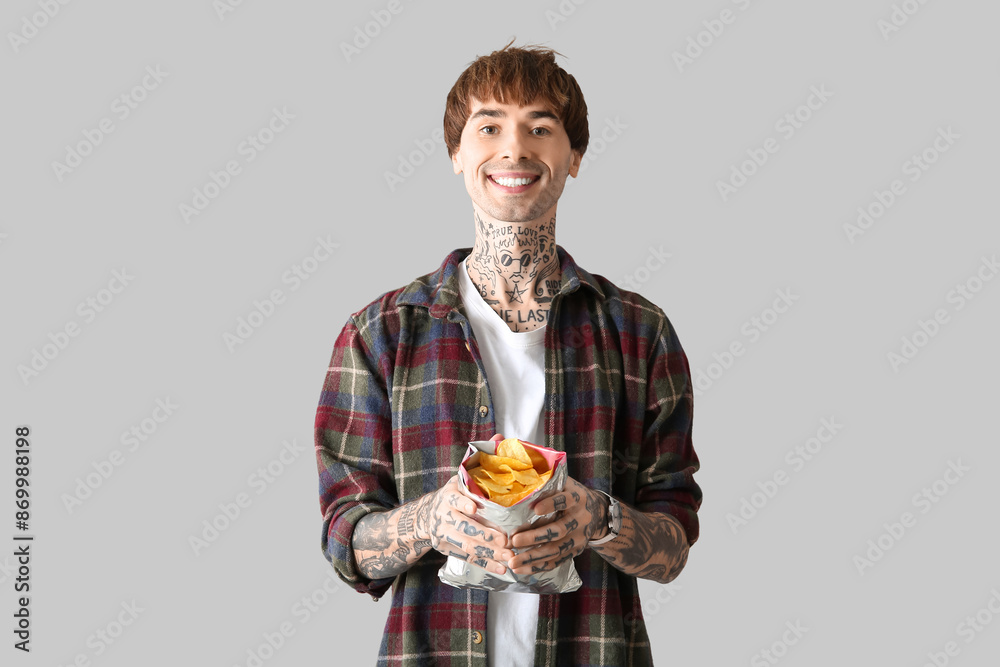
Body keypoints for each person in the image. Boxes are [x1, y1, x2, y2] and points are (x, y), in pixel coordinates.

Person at [314, 39, 702, 667]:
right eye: (488, 125)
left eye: (539, 127)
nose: (514, 148)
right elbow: (345, 543)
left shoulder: (640, 332)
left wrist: (597, 518)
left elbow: (673, 545)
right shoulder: (381, 333)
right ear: (456, 154)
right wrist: (431, 521)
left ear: (573, 156)